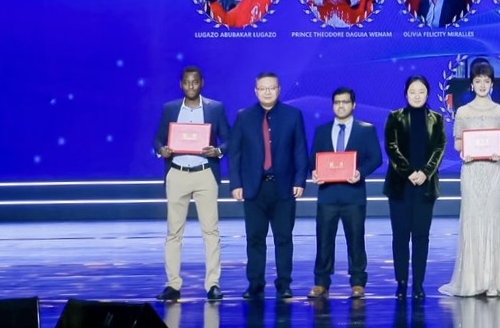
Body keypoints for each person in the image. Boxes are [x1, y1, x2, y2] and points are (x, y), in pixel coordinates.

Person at [440, 62, 500, 297]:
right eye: (478, 81)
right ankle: (473, 280)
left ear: (492, 84)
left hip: (493, 171)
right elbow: (458, 143)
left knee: (493, 220)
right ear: (472, 84)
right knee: (473, 220)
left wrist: (499, 152)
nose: (482, 85)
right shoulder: (463, 112)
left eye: (486, 81)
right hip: (472, 171)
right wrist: (465, 152)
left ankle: (494, 281)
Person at [227, 72, 308, 300]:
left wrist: (299, 181)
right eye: (262, 89)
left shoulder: (293, 115)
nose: (267, 92)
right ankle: (255, 284)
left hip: (283, 188)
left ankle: (284, 284)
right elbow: (235, 153)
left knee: (284, 238)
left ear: (279, 89)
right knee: (255, 238)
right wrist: (236, 183)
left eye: (271, 88)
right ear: (256, 92)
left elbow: (300, 150)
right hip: (254, 188)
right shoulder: (244, 117)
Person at [154, 66, 229, 302]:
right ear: (181, 84)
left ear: (201, 83)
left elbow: (228, 139)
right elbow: (157, 139)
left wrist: (217, 151)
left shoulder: (215, 108)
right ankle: (172, 284)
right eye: (186, 82)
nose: (190, 86)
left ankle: (213, 284)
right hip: (177, 173)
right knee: (173, 232)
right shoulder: (170, 109)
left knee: (211, 231)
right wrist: (162, 150)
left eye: (194, 82)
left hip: (205, 173)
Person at [308, 87, 383, 298]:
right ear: (333, 105)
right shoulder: (322, 130)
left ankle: (357, 282)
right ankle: (321, 283)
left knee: (356, 240)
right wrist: (314, 171)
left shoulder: (365, 130)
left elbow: (376, 158)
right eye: (337, 102)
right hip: (327, 195)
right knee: (323, 240)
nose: (341, 106)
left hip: (354, 195)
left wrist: (360, 172)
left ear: (353, 105)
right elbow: (313, 159)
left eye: (345, 102)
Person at [384, 75, 445, 300]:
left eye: (421, 92)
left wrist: (425, 172)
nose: (417, 96)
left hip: (425, 187)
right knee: (400, 236)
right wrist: (409, 172)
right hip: (400, 186)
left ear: (428, 94)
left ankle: (418, 284)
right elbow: (391, 147)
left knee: (421, 237)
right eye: (412, 92)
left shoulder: (437, 119)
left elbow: (439, 148)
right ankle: (401, 283)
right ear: (406, 94)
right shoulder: (395, 117)